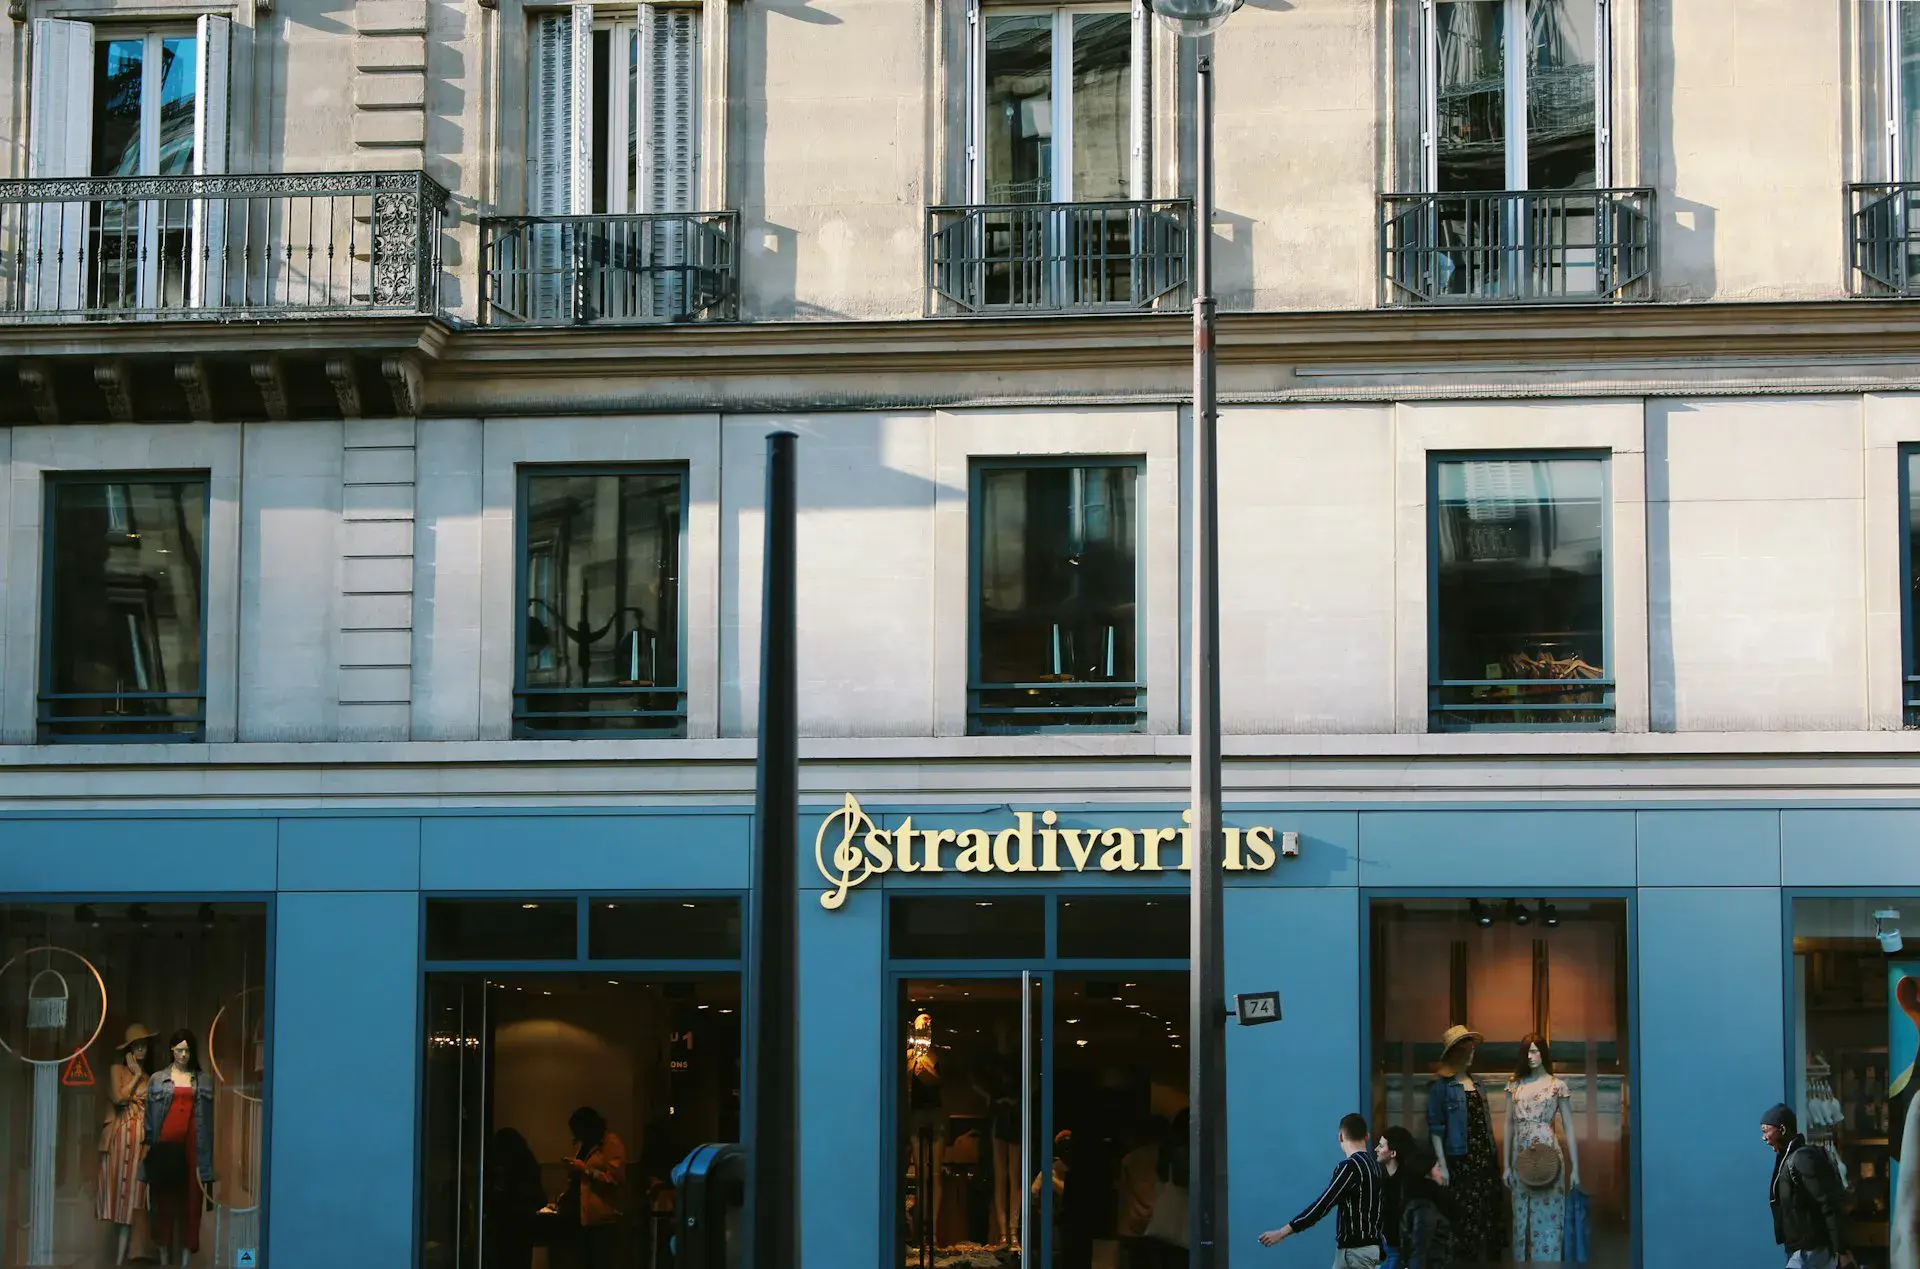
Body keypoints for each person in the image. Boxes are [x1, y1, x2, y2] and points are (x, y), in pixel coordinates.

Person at [1258, 1112, 1384, 1268]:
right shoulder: (1375, 1166)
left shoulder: (1350, 1167)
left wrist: (1282, 1232)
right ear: (1367, 1136)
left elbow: (1322, 1205)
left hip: (1354, 1252)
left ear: (1340, 1137)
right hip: (1370, 1248)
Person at [1762, 1103, 1854, 1269]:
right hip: (1804, 1250)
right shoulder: (1786, 1160)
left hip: (1812, 1251)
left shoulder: (1801, 1158)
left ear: (1782, 1130)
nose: (1764, 1138)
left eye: (1766, 1131)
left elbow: (1828, 1203)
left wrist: (1842, 1249)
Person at [564, 1107, 627, 1269]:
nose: (578, 1136)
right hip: (584, 1219)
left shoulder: (610, 1143)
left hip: (603, 1220)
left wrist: (585, 1169)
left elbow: (614, 1179)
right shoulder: (586, 1145)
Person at [484, 1128, 548, 1269]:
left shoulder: (493, 1167)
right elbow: (540, 1198)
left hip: (501, 1228)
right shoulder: (528, 1166)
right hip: (522, 1228)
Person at [1396, 1149, 1456, 1269]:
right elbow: (1420, 1252)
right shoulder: (1424, 1209)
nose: (1441, 1174)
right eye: (1438, 1168)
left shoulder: (1423, 1202)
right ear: (1427, 1174)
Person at [1374, 1126, 1422, 1269]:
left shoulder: (1407, 1184)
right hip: (1387, 1250)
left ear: (1393, 1153)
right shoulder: (1385, 1181)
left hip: (1400, 1252)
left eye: (1381, 1146)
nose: (1376, 1149)